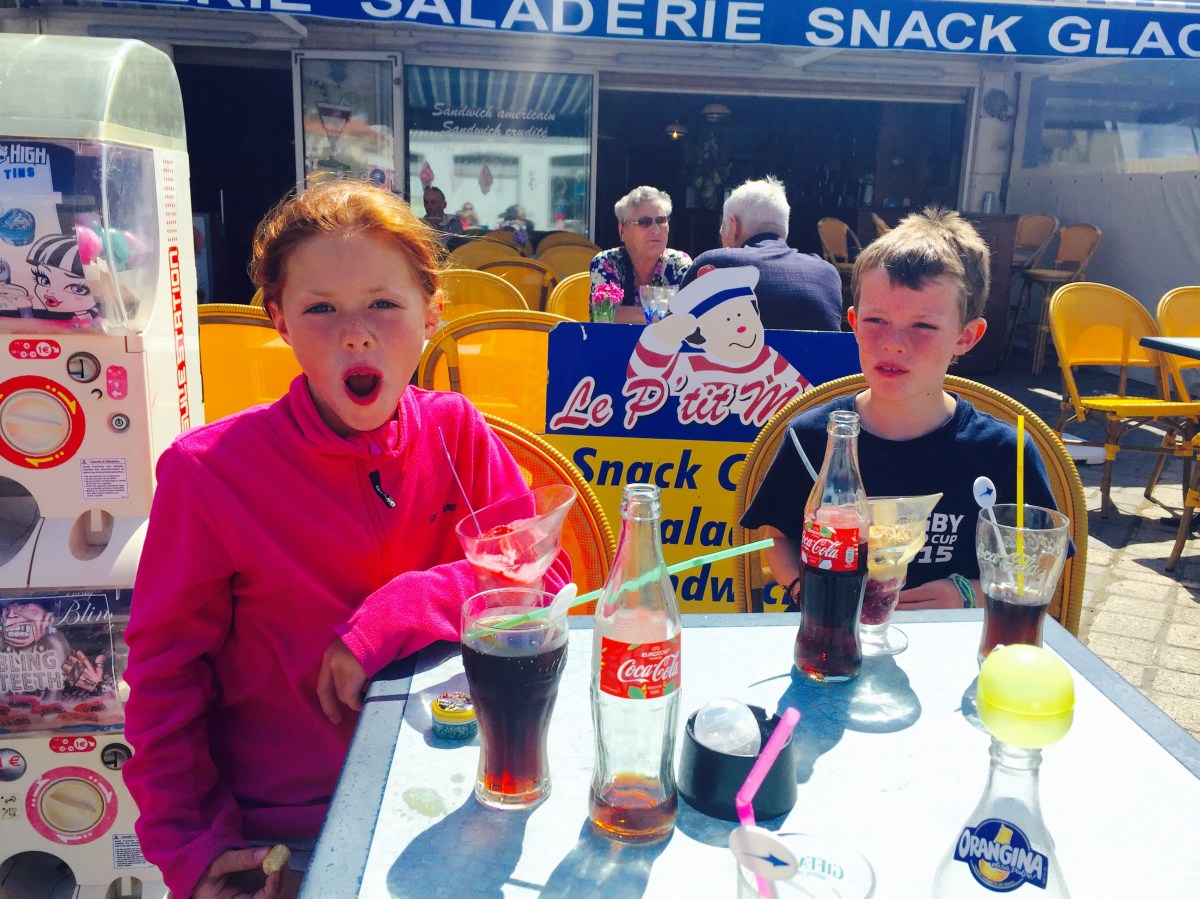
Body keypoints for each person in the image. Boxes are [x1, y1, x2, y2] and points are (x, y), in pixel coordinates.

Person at [122, 180, 571, 899]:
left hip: (453, 788)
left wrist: (400, 609)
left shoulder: (456, 429)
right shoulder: (207, 473)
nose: (355, 333)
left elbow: (542, 575)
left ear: (432, 312)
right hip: (288, 835)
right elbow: (164, 683)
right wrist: (195, 848)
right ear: (279, 320)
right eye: (320, 309)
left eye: (383, 304)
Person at [741, 208, 1059, 611]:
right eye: (876, 320)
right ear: (854, 324)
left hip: (953, 642)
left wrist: (969, 595)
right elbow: (779, 535)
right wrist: (808, 592)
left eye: (923, 326)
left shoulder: (1004, 453)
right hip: (831, 636)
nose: (893, 343)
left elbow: (1037, 566)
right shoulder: (812, 438)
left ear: (966, 337)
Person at [679, 176, 843, 332]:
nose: (721, 234)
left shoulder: (714, 265)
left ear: (734, 226)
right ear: (784, 228)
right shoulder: (827, 274)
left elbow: (670, 338)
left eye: (722, 227)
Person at [590, 185, 692, 324]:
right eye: (644, 222)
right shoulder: (607, 263)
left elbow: (689, 315)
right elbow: (606, 315)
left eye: (661, 221)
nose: (655, 230)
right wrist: (661, 315)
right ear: (622, 230)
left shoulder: (678, 263)